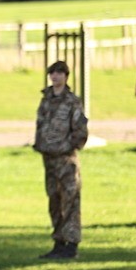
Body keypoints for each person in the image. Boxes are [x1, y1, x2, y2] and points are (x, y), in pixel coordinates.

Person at [34, 61, 89, 259]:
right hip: (49, 158)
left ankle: (71, 243)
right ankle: (58, 242)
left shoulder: (72, 101)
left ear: (66, 76)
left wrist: (69, 146)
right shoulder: (46, 100)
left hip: (65, 159)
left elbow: (81, 128)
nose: (55, 77)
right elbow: (40, 124)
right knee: (54, 201)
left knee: (70, 201)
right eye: (52, 73)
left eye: (59, 73)